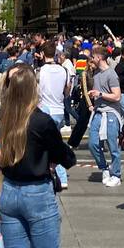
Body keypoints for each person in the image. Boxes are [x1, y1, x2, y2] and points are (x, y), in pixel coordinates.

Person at [0, 63, 81, 248]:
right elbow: (65, 155)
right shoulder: (42, 120)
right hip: (37, 195)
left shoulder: (4, 116)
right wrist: (61, 156)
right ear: (34, 88)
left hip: (8, 194)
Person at [87, 45, 123, 187]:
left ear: (99, 58)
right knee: (93, 143)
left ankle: (116, 174)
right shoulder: (96, 73)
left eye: (93, 56)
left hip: (110, 112)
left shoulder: (111, 74)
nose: (92, 59)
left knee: (112, 144)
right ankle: (104, 167)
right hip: (98, 111)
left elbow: (117, 96)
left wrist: (100, 94)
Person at [37, 42, 70, 189]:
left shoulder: (40, 71)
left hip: (45, 109)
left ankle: (46, 174)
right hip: (59, 109)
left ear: (43, 54)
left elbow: (36, 91)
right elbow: (67, 89)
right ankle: (62, 177)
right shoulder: (63, 70)